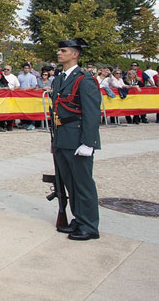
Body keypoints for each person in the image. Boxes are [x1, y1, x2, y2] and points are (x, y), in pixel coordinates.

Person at [50, 38, 101, 241]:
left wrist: (89, 143)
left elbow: (91, 113)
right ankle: (79, 219)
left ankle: (90, 225)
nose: (59, 53)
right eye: (59, 50)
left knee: (83, 184)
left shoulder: (84, 79)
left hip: (78, 138)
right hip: (63, 137)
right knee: (70, 183)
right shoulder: (60, 79)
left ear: (75, 54)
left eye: (63, 50)